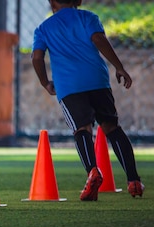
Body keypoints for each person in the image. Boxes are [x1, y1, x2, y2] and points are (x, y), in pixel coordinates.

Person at [32, 0, 144, 200]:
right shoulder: (88, 18)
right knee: (112, 128)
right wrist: (119, 67)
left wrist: (45, 82)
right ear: (78, 0)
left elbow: (36, 58)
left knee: (82, 129)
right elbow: (99, 40)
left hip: (69, 87)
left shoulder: (43, 28)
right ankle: (134, 180)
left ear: (51, 2)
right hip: (97, 81)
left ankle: (93, 172)